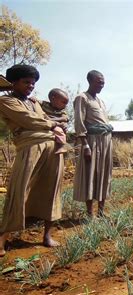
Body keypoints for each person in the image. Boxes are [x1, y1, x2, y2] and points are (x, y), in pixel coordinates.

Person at [0, 65, 66, 256]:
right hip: (30, 147)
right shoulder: (6, 101)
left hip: (52, 146)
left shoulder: (34, 102)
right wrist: (54, 124)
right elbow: (28, 120)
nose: (31, 86)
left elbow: (44, 116)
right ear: (14, 83)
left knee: (52, 189)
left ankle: (47, 236)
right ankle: (2, 239)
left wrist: (54, 125)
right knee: (20, 190)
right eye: (26, 82)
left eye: (33, 83)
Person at [73, 70, 113, 217]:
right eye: (99, 81)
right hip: (92, 141)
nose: (102, 84)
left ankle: (101, 212)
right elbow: (79, 122)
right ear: (90, 81)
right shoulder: (82, 98)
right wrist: (85, 146)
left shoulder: (101, 101)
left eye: (103, 82)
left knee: (104, 174)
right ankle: (90, 214)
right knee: (91, 174)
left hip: (106, 141)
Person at [40, 88, 69, 154]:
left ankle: (61, 146)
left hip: (56, 126)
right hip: (47, 126)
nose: (65, 105)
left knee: (59, 130)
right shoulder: (44, 104)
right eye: (63, 102)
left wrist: (51, 120)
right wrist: (33, 98)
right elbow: (36, 101)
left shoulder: (61, 111)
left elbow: (65, 118)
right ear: (53, 98)